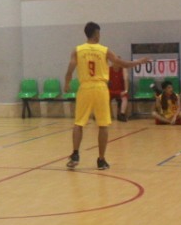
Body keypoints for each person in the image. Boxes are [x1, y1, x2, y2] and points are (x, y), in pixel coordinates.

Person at [64, 22, 150, 170]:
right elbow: (122, 63)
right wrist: (138, 62)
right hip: (100, 88)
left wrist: (67, 83)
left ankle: (75, 154)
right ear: (97, 34)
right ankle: (101, 159)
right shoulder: (104, 50)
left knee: (79, 123)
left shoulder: (77, 50)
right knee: (103, 125)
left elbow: (70, 69)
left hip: (85, 88)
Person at [107, 55, 129, 122]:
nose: (117, 63)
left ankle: (122, 114)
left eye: (119, 62)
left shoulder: (123, 69)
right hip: (111, 91)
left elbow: (126, 80)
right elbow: (104, 81)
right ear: (112, 62)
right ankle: (103, 114)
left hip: (120, 91)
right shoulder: (108, 69)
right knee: (104, 96)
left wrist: (126, 90)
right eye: (115, 62)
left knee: (125, 96)